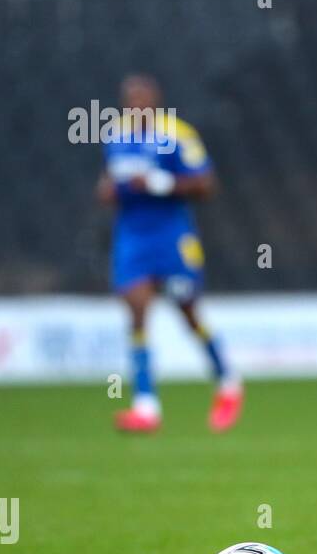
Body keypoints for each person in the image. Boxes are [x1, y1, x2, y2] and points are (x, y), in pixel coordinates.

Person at [96, 74, 242, 433]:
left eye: (143, 100)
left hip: (172, 236)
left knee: (187, 310)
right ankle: (146, 406)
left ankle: (227, 379)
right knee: (136, 308)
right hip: (132, 237)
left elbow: (206, 184)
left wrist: (160, 183)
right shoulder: (116, 135)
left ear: (157, 101)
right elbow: (109, 181)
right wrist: (108, 190)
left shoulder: (178, 135)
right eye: (130, 101)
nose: (137, 106)